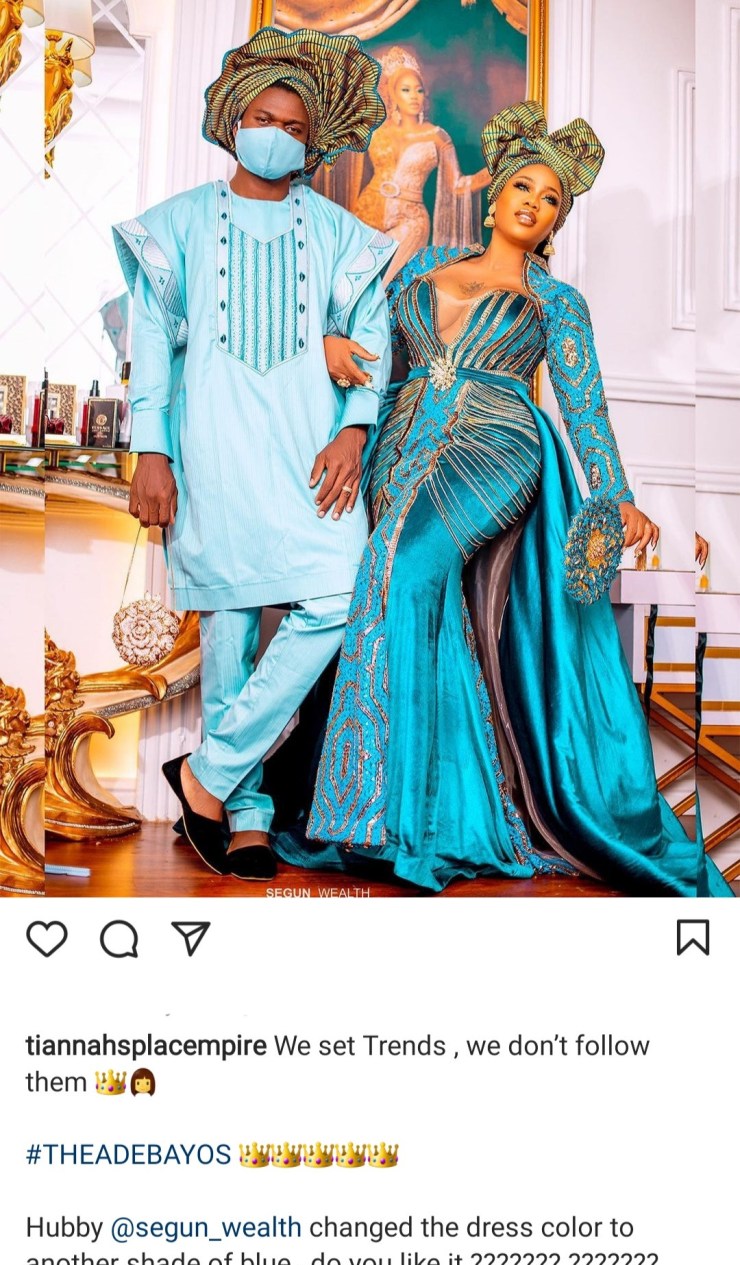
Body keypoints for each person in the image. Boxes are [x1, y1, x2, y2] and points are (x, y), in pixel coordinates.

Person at [276, 101, 733, 898]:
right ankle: (428, 810)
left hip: (497, 445)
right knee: (389, 581)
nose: (534, 203)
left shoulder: (557, 301)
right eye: (523, 186)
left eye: (551, 198)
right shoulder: (420, 267)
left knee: (409, 568)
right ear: (494, 199)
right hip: (398, 443)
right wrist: (332, 342)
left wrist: (616, 493)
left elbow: (585, 405)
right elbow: (367, 336)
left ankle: (397, 823)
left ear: (556, 220)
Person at [113, 28, 395, 881]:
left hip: (312, 452)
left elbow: (371, 335)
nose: (275, 134)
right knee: (231, 631)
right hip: (215, 451)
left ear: (313, 146)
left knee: (338, 595)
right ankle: (247, 815)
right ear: (234, 121)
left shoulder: (343, 234)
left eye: (294, 127)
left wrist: (355, 429)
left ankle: (206, 771)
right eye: (263, 118)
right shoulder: (178, 226)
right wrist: (151, 450)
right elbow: (152, 345)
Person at [350, 47, 489, 280]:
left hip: (411, 221)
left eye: (419, 90)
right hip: (366, 214)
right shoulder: (376, 131)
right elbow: (357, 175)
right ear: (393, 94)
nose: (414, 96)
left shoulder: (437, 136)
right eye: (405, 90)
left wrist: (497, 168)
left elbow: (456, 185)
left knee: (384, 286)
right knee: (354, 284)